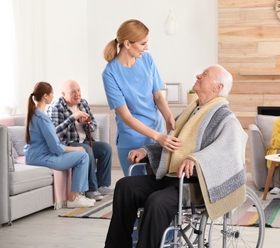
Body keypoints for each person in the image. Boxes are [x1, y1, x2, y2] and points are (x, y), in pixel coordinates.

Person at [104, 65, 247, 248]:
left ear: (217, 87)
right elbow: (171, 143)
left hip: (195, 185)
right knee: (125, 186)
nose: (198, 75)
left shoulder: (225, 117)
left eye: (204, 74)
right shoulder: (191, 111)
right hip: (170, 178)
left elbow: (229, 150)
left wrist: (196, 159)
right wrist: (146, 151)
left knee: (157, 202)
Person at [102, 19, 180, 176]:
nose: (147, 47)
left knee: (158, 190)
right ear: (127, 44)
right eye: (143, 43)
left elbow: (158, 95)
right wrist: (158, 136)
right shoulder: (110, 73)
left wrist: (169, 117)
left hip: (157, 135)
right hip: (132, 139)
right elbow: (126, 117)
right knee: (137, 192)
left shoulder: (147, 59)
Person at [24, 82, 94, 208]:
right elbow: (56, 147)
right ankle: (74, 198)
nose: (53, 96)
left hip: (32, 156)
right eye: (51, 94)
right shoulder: (42, 118)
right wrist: (76, 149)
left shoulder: (33, 114)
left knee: (82, 152)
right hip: (42, 158)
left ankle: (78, 195)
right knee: (83, 156)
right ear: (45, 96)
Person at [47, 80, 113, 201]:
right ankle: (91, 189)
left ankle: (102, 184)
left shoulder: (83, 103)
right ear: (63, 94)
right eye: (73, 92)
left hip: (84, 141)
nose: (77, 94)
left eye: (78, 90)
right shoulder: (56, 107)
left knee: (106, 149)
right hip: (67, 144)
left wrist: (85, 123)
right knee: (86, 150)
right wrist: (72, 118)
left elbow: (93, 123)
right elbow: (54, 134)